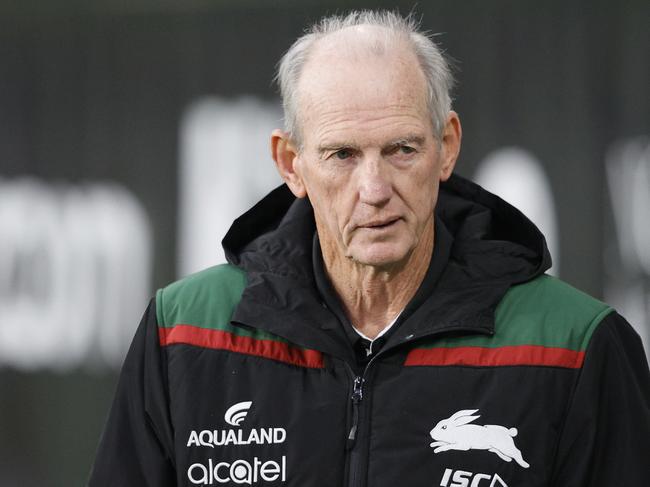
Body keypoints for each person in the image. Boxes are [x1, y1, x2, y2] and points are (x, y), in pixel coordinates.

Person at [88, 10, 650, 487]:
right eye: (342, 155)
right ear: (291, 164)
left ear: (447, 147)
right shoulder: (182, 332)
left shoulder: (575, 346)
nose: (376, 190)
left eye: (402, 149)